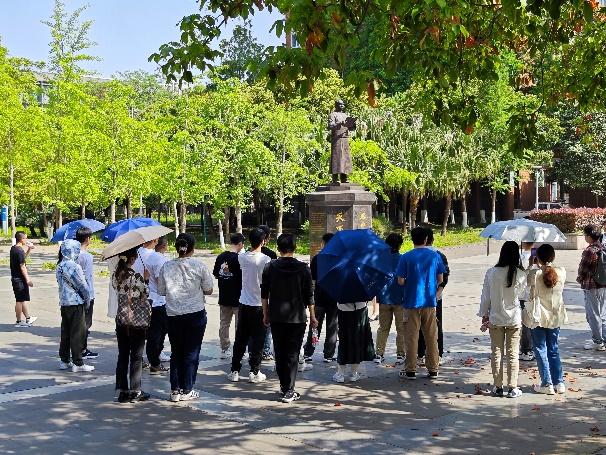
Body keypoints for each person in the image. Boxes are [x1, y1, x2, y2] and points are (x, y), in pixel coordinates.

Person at [261, 234, 317, 402]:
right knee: (292, 353)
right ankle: (289, 390)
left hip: (276, 316)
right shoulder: (304, 269)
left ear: (278, 248)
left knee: (279, 352)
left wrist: (265, 313)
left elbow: (264, 294)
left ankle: (284, 386)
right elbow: (309, 295)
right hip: (297, 318)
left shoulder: (270, 267)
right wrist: (313, 317)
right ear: (295, 247)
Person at [158, 233, 214, 402]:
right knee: (191, 352)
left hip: (173, 314)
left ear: (177, 248)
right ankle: (187, 389)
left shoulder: (166, 266)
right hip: (195, 314)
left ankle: (175, 390)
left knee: (176, 352)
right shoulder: (199, 266)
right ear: (193, 248)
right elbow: (209, 290)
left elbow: (161, 291)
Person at [479, 240, 526, 398]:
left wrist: (484, 314)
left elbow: (485, 297)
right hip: (514, 319)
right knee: (513, 353)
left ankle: (497, 386)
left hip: (495, 317)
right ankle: (512, 387)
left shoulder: (491, 272)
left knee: (496, 352)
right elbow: (523, 296)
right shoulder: (520, 274)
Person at [397, 227, 445, 380]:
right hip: (429, 302)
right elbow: (440, 279)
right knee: (431, 336)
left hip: (411, 302)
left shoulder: (405, 257)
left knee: (411, 337)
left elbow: (400, 281)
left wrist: (410, 283)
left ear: (412, 240)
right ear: (426, 239)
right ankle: (433, 369)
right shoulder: (435, 256)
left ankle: (410, 369)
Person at [228, 228, 272, 383]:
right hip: (260, 304)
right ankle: (254, 371)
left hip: (244, 303)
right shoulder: (266, 260)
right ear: (263, 241)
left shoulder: (242, 257)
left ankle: (234, 371)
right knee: (258, 340)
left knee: (241, 338)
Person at [525, 244, 567, 395]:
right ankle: (559, 382)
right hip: (555, 317)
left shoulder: (535, 274)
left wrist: (531, 265)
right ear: (553, 256)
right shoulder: (561, 272)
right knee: (553, 349)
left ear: (538, 258)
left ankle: (547, 383)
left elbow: (524, 281)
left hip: (538, 317)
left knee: (540, 349)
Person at [113, 247, 151, 403]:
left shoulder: (117, 275)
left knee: (122, 355)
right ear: (133, 259)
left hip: (121, 319)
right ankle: (135, 390)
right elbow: (145, 293)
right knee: (136, 356)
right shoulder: (136, 276)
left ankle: (123, 391)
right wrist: (146, 279)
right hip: (135, 320)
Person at [56, 240, 93, 373]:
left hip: (64, 303)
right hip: (76, 303)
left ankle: (64, 360)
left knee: (65, 332)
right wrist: (87, 300)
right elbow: (83, 286)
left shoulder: (60, 265)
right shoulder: (75, 266)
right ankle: (78, 362)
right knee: (77, 333)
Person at [303, 233, 338, 364]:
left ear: (323, 243)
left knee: (315, 325)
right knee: (332, 327)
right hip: (333, 297)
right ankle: (328, 354)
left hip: (319, 297)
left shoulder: (317, 258)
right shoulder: (338, 259)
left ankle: (308, 352)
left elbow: (312, 279)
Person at [417, 228, 450, 364]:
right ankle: (438, 354)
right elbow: (444, 277)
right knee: (435, 325)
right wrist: (438, 292)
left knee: (418, 326)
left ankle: (420, 354)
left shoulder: (412, 255)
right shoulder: (439, 255)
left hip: (416, 297)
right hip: (435, 297)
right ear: (431, 239)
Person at [374, 233, 405, 365]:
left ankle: (379, 354)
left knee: (383, 328)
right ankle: (400, 354)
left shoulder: (380, 260)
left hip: (384, 298)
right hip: (400, 298)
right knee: (401, 329)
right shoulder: (403, 259)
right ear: (400, 245)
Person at [213, 233, 245, 359]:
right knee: (239, 325)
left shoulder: (221, 256)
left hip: (224, 296)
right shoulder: (240, 259)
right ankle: (239, 349)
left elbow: (216, 274)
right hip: (238, 297)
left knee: (224, 324)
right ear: (240, 244)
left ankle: (224, 349)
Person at [577, 224, 606, 351]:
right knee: (603, 314)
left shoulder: (589, 251)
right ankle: (604, 339)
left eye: (585, 235)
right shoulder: (603, 247)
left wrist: (579, 279)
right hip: (603, 285)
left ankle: (598, 342)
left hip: (591, 286)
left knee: (593, 315)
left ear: (589, 236)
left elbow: (582, 269)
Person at [146, 236, 170, 374]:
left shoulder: (150, 257)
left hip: (152, 298)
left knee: (154, 333)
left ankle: (154, 359)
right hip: (159, 300)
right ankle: (155, 362)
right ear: (164, 245)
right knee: (158, 334)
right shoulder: (159, 260)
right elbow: (160, 280)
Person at [75, 227, 98, 360]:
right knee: (86, 323)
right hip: (87, 293)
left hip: (75, 293)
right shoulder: (87, 256)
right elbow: (87, 276)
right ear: (87, 239)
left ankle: (77, 349)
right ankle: (82, 350)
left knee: (78, 323)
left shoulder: (73, 254)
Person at [10, 231, 36, 327]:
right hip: (19, 279)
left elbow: (23, 258)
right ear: (21, 239)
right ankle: (18, 321)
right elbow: (22, 266)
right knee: (19, 300)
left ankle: (28, 318)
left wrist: (29, 249)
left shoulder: (14, 248)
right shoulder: (19, 251)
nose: (26, 240)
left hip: (16, 278)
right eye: (25, 238)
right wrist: (28, 280)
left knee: (21, 299)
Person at [259, 224, 276, 361]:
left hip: (249, 296)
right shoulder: (271, 255)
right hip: (267, 293)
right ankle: (265, 350)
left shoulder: (246, 254)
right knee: (267, 323)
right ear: (268, 237)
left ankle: (253, 349)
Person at [518, 241, 535, 362]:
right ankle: (530, 348)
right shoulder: (536, 254)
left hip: (525, 295)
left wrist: (528, 267)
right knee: (531, 322)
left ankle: (526, 349)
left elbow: (521, 277)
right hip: (533, 295)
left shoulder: (521, 256)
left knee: (526, 324)